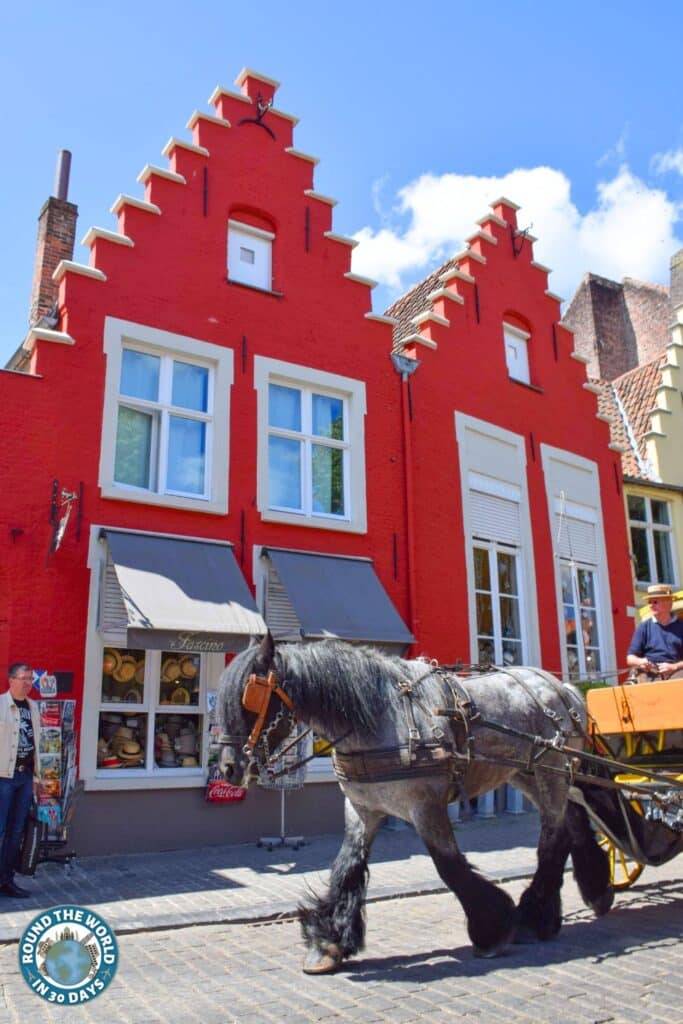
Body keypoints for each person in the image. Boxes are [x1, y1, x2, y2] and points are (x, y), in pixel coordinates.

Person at [0, 662, 41, 897]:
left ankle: (6, 879)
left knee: (16, 831)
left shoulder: (33, 707)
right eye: (23, 678)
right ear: (11, 680)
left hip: (25, 777)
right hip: (3, 777)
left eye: (30, 679)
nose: (28, 683)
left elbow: (36, 742)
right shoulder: (1, 705)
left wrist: (37, 777)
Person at [626, 583, 683, 681]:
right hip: (650, 673)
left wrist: (675, 666)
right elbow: (630, 658)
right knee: (637, 676)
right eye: (649, 602)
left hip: (677, 673)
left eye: (655, 602)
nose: (651, 606)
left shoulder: (681, 626)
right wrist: (641, 661)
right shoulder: (644, 627)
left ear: (668, 603)